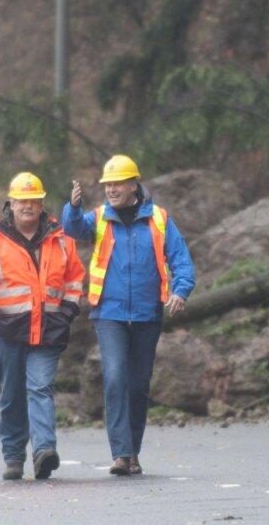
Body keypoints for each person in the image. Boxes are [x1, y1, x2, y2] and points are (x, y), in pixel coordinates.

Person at [62, 155, 195, 476]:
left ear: (134, 185)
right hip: (109, 314)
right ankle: (121, 454)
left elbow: (181, 259)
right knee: (116, 377)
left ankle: (132, 451)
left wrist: (180, 291)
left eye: (117, 184)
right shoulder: (99, 218)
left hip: (148, 314)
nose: (111, 190)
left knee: (138, 385)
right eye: (107, 185)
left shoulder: (160, 220)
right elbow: (72, 229)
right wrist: (73, 207)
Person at [0, 172, 85, 481]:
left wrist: (68, 310)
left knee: (40, 387)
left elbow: (75, 278)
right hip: (8, 330)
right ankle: (13, 455)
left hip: (49, 329)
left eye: (33, 201)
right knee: (11, 394)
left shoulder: (60, 237)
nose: (27, 206)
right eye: (22, 201)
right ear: (11, 203)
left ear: (41, 203)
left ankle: (44, 451)